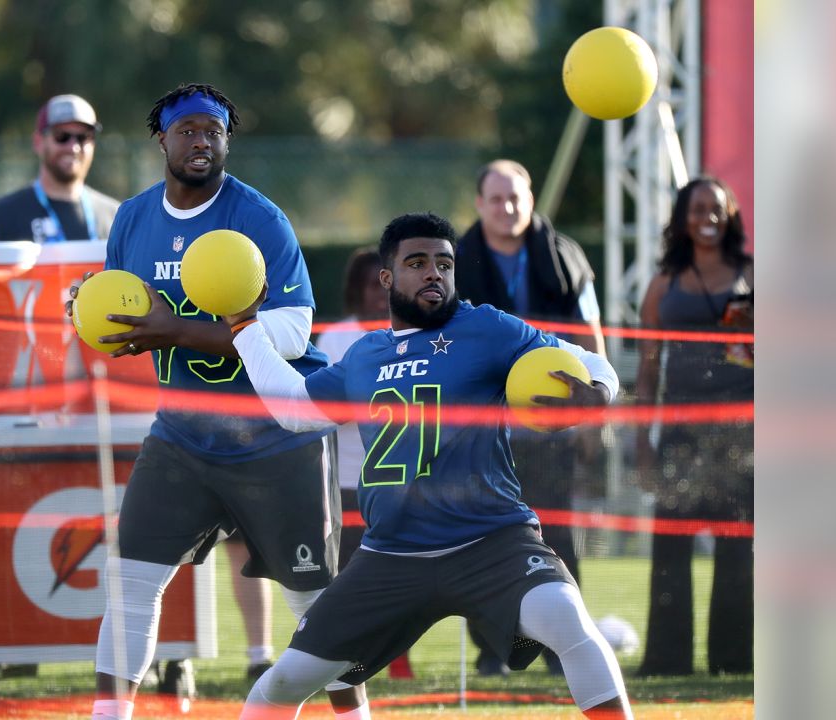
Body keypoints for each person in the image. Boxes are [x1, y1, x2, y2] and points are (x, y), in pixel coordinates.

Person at [227, 212, 632, 719]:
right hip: (390, 554)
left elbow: (593, 362)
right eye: (417, 263)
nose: (434, 273)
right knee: (281, 682)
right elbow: (294, 410)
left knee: (568, 620)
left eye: (444, 263)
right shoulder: (365, 355)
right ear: (387, 277)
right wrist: (245, 328)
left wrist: (596, 394)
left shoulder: (486, 326)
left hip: (492, 541)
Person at [66, 82, 369, 720]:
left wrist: (173, 329)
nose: (202, 142)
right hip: (182, 433)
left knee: (314, 605)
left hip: (275, 438)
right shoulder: (132, 218)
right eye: (189, 131)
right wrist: (98, 318)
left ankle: (355, 716)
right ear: (163, 139)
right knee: (131, 586)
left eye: (214, 131)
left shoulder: (258, 217)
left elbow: (293, 331)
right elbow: (129, 305)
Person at [454, 159, 605, 675]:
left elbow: (590, 334)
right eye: (496, 199)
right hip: (480, 428)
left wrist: (594, 418)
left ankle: (569, 648)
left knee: (556, 534)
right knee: (481, 536)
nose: (507, 207)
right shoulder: (455, 261)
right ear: (479, 204)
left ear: (531, 199)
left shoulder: (566, 256)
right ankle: (493, 649)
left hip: (553, 425)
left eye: (516, 197)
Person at [635, 177, 754, 676]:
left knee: (738, 548)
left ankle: (732, 658)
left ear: (729, 216)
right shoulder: (663, 283)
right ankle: (667, 660)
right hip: (680, 435)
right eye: (696, 208)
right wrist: (642, 441)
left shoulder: (752, 275)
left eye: (716, 208)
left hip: (743, 435)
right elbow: (646, 369)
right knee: (671, 547)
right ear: (682, 217)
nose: (706, 217)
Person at [312, 248, 410, 680]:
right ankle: (351, 660)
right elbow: (321, 404)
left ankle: (400, 661)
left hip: (405, 481)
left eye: (386, 283)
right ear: (356, 289)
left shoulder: (417, 335)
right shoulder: (335, 339)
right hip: (349, 482)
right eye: (373, 285)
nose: (380, 294)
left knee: (404, 578)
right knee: (351, 581)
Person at [0, 93, 120, 242]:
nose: (73, 147)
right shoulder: (1, 217)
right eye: (62, 136)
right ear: (38, 142)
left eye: (83, 137)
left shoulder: (117, 217)